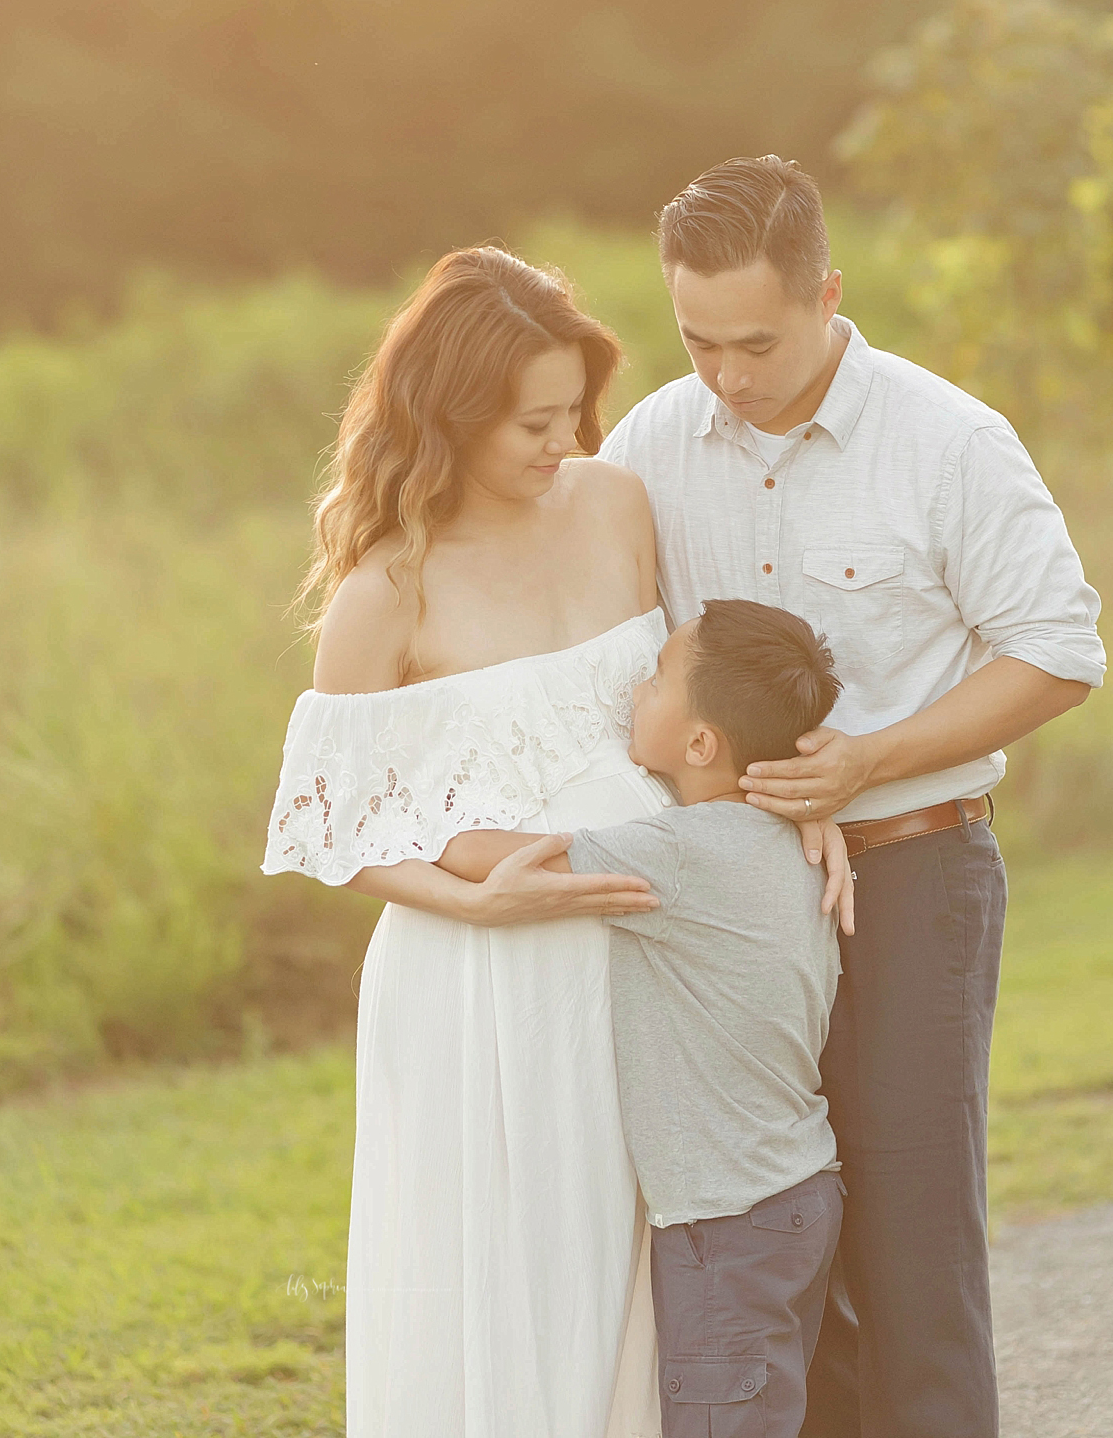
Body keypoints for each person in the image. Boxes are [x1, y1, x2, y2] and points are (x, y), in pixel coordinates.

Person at [262, 245, 852, 1438]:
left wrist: (804, 792)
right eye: (533, 422)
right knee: (515, 1283)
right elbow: (333, 830)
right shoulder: (387, 591)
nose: (564, 442)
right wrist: (466, 904)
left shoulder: (616, 505)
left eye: (574, 412)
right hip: (482, 990)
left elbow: (705, 707)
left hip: (648, 970)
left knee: (642, 1275)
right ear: (451, 415)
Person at [600, 157, 1107, 1438]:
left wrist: (863, 762)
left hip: (909, 874)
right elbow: (609, 652)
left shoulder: (950, 442)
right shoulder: (652, 443)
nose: (727, 374)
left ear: (830, 292)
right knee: (781, 1240)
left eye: (757, 340)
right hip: (729, 913)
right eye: (698, 341)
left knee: (911, 1244)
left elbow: (1057, 652)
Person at [441, 598, 847, 1438]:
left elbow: (491, 858)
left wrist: (400, 820)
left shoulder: (680, 853)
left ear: (702, 745)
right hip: (797, 1190)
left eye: (657, 675)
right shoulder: (787, 840)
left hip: (727, 1219)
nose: (636, 685)